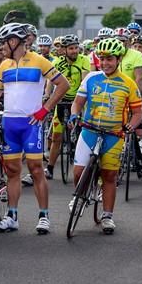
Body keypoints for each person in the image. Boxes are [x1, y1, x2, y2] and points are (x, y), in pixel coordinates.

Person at [0, 23, 70, 234]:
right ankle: (12, 216)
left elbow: (63, 84)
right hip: (9, 123)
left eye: (4, 42)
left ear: (14, 42)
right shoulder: (4, 65)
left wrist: (45, 109)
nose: (1, 47)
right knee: (12, 171)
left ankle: (44, 216)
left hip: (31, 123)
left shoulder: (39, 61)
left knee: (36, 168)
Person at [68, 38, 142, 234]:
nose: (105, 63)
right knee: (78, 172)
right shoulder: (91, 78)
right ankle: (83, 194)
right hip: (89, 131)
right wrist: (74, 115)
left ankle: (107, 215)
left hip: (114, 135)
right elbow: (77, 102)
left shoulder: (128, 84)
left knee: (109, 176)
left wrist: (131, 126)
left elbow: (138, 113)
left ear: (118, 59)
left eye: (110, 59)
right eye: (102, 59)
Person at [44, 34, 90, 180]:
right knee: (57, 136)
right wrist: (47, 94)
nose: (74, 51)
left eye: (76, 48)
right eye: (71, 48)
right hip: (62, 99)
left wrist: (81, 99)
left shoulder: (84, 60)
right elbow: (51, 81)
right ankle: (50, 168)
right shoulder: (57, 62)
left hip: (78, 100)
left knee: (82, 133)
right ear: (64, 50)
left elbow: (85, 80)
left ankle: (84, 164)